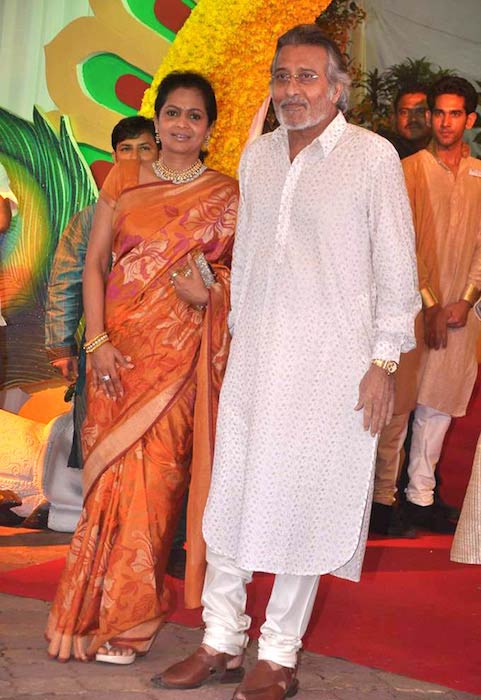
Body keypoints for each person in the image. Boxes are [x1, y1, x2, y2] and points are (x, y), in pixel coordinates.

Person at [154, 25, 419, 699]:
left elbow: (396, 268)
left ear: (336, 87)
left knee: (304, 503)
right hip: (256, 358)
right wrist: (226, 320)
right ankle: (219, 639)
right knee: (235, 497)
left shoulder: (371, 157)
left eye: (306, 77)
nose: (290, 90)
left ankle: (277, 651)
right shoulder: (258, 157)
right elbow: (249, 262)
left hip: (331, 367)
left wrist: (383, 362)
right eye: (281, 77)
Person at [45, 71, 239, 664]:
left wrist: (210, 297)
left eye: (195, 116)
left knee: (158, 488)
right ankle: (86, 617)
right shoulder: (123, 179)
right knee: (105, 484)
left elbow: (244, 277)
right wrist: (95, 340)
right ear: (156, 121)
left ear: (209, 127)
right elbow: (95, 264)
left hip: (179, 362)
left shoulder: (226, 194)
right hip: (117, 356)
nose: (182, 125)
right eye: (173, 114)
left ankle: (130, 623)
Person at [393, 76, 481, 533]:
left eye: (454, 114)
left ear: (470, 119)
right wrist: (428, 302)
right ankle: (384, 501)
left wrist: (464, 302)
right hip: (409, 306)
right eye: (438, 113)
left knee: (440, 405)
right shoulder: (408, 169)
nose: (444, 122)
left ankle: (421, 497)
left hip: (460, 314)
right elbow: (400, 243)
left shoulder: (480, 175)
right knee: (400, 404)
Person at [45, 116, 158, 468]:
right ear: (113, 156)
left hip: (160, 346)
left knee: (154, 447)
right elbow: (66, 281)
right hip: (102, 343)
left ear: (160, 153)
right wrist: (62, 347)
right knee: (99, 437)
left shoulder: (175, 212)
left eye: (145, 148)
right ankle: (98, 515)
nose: (135, 158)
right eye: (126, 149)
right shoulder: (91, 219)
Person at [378, 84, 431, 159]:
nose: (413, 119)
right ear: (395, 117)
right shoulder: (384, 152)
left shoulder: (446, 153)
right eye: (404, 112)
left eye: (420, 112)